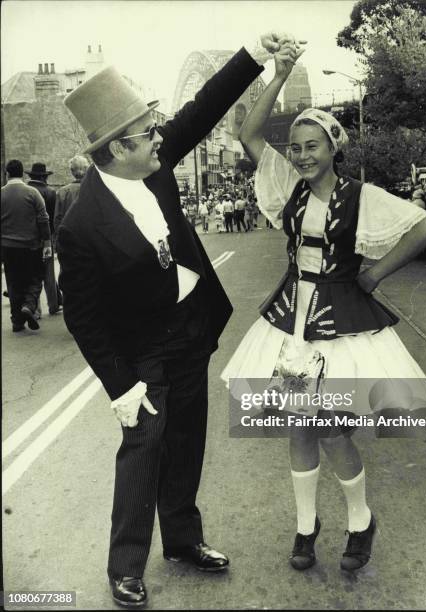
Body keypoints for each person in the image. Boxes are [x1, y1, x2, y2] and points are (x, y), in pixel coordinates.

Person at [56, 34, 290, 608]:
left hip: (191, 333)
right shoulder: (81, 224)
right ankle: (125, 568)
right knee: (143, 452)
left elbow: (203, 108)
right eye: (146, 135)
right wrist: (121, 386)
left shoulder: (155, 164)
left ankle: (184, 542)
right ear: (115, 151)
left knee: (187, 443)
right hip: (143, 353)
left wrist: (255, 55)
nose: (159, 138)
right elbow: (84, 318)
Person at [221, 47, 426, 574]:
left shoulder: (361, 195)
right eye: (295, 148)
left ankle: (360, 522)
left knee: (334, 425)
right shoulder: (289, 188)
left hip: (341, 326)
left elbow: (425, 227)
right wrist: (278, 76)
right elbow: (248, 135)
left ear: (332, 148)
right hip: (293, 326)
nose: (301, 156)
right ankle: (305, 528)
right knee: (300, 425)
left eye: (311, 146)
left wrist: (374, 274)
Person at [1, 160, 52, 332]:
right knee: (36, 277)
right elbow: (43, 219)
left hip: (7, 247)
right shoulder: (32, 193)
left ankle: (17, 321)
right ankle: (29, 305)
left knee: (13, 282)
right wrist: (46, 241)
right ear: (22, 173)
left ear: (7, 173)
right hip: (31, 245)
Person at [26, 162, 62, 315]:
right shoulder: (50, 192)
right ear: (43, 177)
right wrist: (52, 237)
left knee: (32, 273)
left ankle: (36, 309)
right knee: (48, 273)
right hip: (46, 237)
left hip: (29, 238)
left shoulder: (27, 191)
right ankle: (53, 305)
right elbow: (54, 217)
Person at [54, 155, 90, 232]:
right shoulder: (94, 189)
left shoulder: (62, 191)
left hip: (68, 234)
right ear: (86, 169)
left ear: (72, 171)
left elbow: (57, 219)